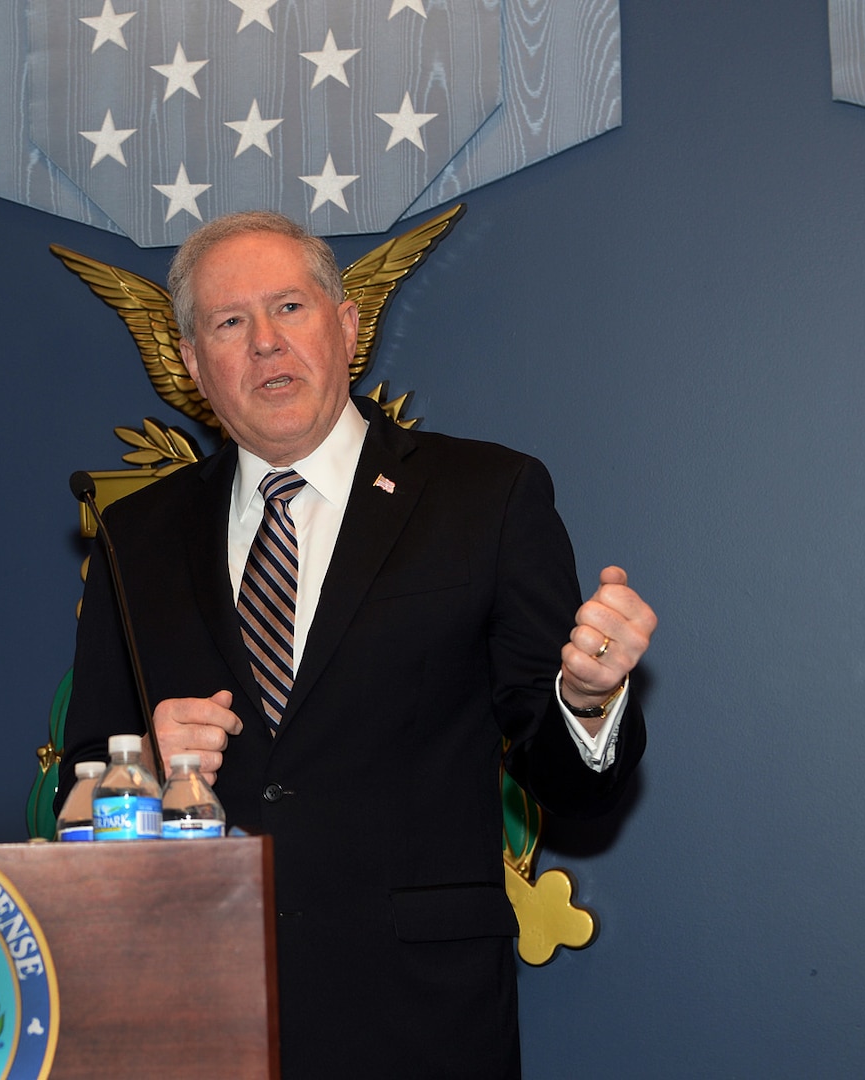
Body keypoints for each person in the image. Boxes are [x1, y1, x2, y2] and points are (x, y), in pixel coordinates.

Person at [57, 211, 656, 1078]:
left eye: (290, 308)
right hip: (198, 1016)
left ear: (346, 326)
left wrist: (588, 700)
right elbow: (81, 777)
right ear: (191, 364)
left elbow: (565, 780)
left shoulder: (483, 496)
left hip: (416, 1018)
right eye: (230, 322)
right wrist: (144, 765)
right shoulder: (134, 535)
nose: (265, 344)